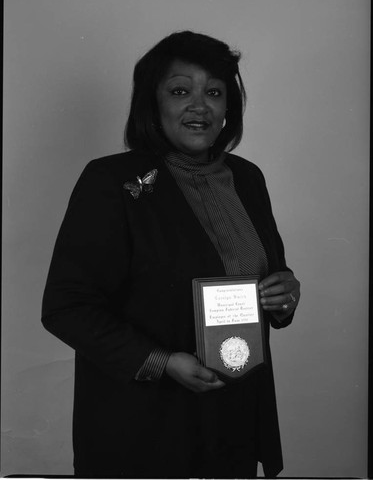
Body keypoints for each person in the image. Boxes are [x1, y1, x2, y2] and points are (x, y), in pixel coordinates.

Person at [42, 30, 300, 479]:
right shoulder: (110, 181)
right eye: (181, 90)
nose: (200, 106)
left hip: (233, 416)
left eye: (214, 93)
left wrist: (284, 293)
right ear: (152, 103)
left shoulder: (248, 179)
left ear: (229, 108)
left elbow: (261, 273)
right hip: (144, 426)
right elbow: (66, 308)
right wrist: (163, 363)